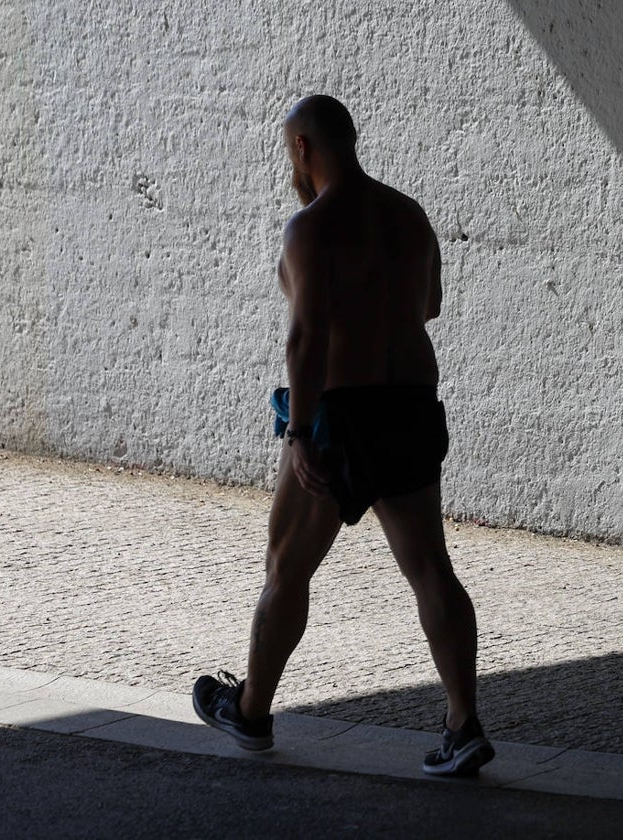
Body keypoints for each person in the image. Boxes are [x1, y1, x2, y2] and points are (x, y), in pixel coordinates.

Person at [192, 95, 494, 778]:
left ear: (303, 147)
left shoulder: (311, 227)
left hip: (338, 416)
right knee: (431, 571)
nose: (289, 167)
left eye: (288, 154)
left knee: (287, 567)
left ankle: (251, 713)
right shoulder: (409, 216)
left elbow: (305, 338)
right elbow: (430, 306)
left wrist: (298, 432)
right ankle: (463, 723)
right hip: (411, 407)